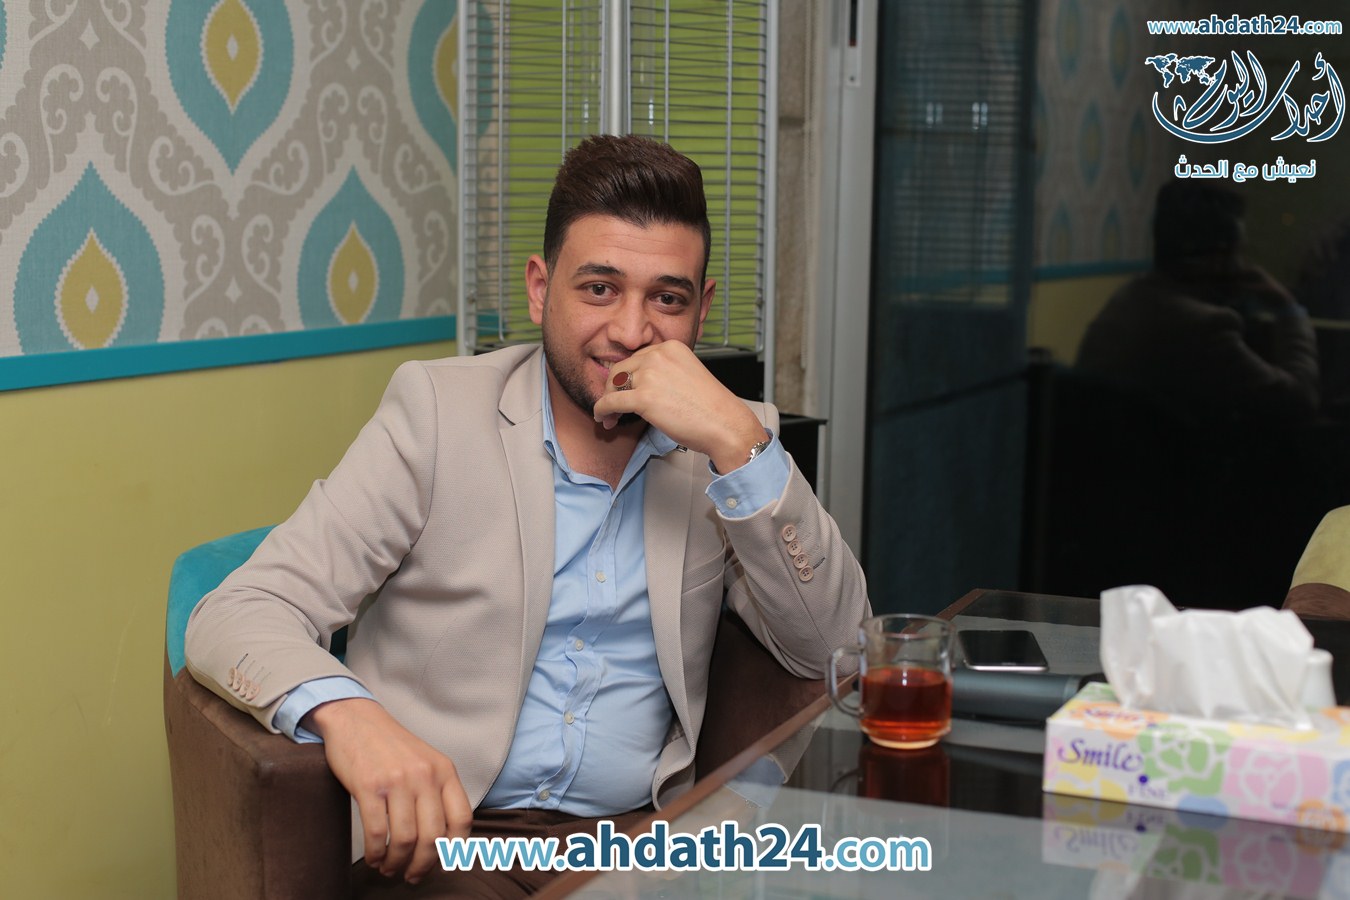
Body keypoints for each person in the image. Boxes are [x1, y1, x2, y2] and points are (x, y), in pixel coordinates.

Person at [185, 134, 869, 894]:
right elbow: (241, 609)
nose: (631, 332)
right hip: (449, 843)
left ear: (700, 310)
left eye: (667, 299)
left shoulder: (732, 443)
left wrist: (741, 447)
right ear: (541, 290)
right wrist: (353, 717)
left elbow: (839, 654)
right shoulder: (437, 414)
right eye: (599, 288)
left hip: (635, 853)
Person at [1076, 180, 1319, 426]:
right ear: (1216, 258)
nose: (1242, 266)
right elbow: (1298, 402)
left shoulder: (1127, 298)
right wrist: (1289, 309)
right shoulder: (1205, 328)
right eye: (1238, 252)